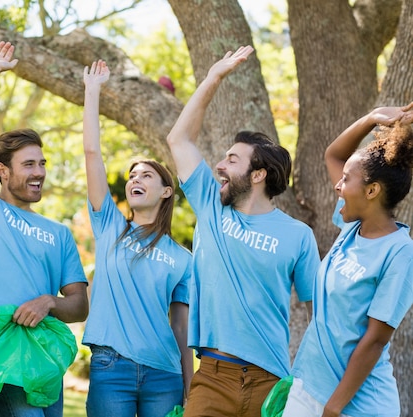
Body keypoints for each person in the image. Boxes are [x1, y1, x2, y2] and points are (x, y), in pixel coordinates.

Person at [165, 46, 321, 417]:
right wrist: (212, 78)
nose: (219, 164)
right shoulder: (211, 207)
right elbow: (179, 140)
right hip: (214, 378)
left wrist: (305, 381)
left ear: (258, 174)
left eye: (232, 160)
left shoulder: (298, 235)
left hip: (272, 382)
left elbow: (321, 314)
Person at [0, 40, 89, 417]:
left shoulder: (58, 232)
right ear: (3, 171)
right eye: (29, 164)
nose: (39, 172)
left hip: (44, 355)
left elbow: (79, 304)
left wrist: (49, 302)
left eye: (42, 163)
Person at [281, 104, 413, 417]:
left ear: (372, 190)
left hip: (358, 405)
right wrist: (371, 118)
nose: (338, 186)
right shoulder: (351, 228)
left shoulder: (400, 252)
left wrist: (333, 407)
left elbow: (375, 339)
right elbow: (334, 156)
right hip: (307, 387)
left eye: (346, 180)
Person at [81, 60, 193, 417]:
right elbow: (92, 154)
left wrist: (190, 388)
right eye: (132, 176)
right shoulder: (110, 227)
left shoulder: (183, 259)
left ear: (165, 192)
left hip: (165, 375)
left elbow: (181, 328)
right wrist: (93, 90)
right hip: (111, 368)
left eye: (146, 175)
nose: (134, 179)